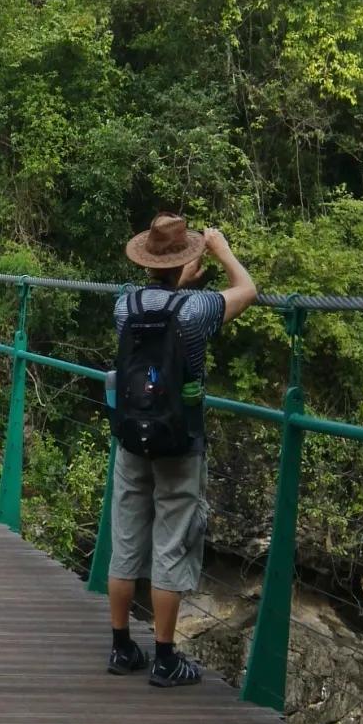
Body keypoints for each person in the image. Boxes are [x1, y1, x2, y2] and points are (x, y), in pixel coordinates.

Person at [107, 213, 256, 687]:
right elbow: (246, 290)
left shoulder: (123, 306)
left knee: (127, 537)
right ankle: (166, 657)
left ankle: (121, 647)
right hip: (180, 439)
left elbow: (158, 308)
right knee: (172, 540)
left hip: (132, 435)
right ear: (186, 259)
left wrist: (180, 281)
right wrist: (223, 251)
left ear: (146, 261)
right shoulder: (197, 311)